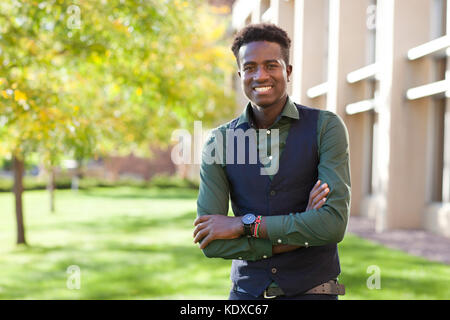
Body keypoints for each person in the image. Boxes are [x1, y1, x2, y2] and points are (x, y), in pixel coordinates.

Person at [193, 23, 351, 300]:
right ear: (240, 74)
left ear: (288, 71)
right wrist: (300, 231)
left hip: (313, 292)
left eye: (271, 65)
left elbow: (332, 226)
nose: (260, 75)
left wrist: (243, 226)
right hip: (246, 295)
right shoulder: (219, 142)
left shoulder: (326, 127)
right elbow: (211, 243)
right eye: (250, 67)